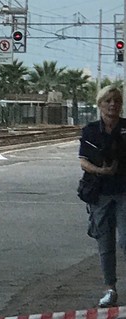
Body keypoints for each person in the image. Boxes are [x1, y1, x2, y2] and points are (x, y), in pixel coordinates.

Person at [79, 85, 126, 308]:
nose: (112, 105)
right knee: (105, 243)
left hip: (124, 192)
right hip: (100, 193)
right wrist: (101, 171)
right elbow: (83, 161)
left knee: (125, 240)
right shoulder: (90, 131)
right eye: (108, 101)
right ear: (100, 104)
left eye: (116, 101)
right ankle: (110, 289)